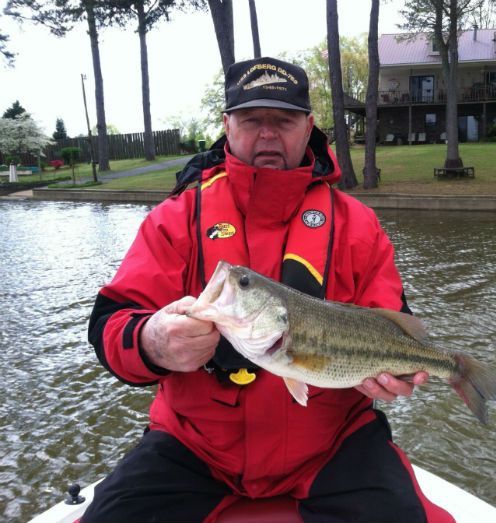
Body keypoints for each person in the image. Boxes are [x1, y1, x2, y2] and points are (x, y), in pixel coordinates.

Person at [84, 57, 454, 523]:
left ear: (308, 127)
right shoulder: (174, 220)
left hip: (332, 443)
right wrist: (151, 340)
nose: (267, 134)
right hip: (194, 445)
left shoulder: (358, 225)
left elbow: (391, 321)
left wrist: (392, 378)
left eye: (283, 120)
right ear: (226, 125)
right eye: (251, 120)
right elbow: (110, 323)